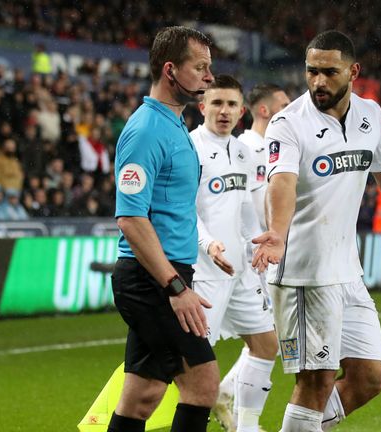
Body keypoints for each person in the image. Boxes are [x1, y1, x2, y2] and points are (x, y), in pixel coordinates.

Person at [251, 30, 381, 432]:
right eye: (312, 71)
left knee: (368, 377)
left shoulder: (371, 115)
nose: (318, 82)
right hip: (303, 273)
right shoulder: (288, 123)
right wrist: (277, 232)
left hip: (347, 271)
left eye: (329, 72)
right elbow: (282, 183)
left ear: (354, 71)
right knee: (316, 382)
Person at [109, 26, 216, 432]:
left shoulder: (173, 124)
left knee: (141, 398)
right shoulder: (146, 131)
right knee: (203, 386)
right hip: (152, 279)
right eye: (200, 67)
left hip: (162, 274)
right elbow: (131, 218)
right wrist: (175, 288)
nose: (208, 76)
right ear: (170, 70)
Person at [189, 74, 279, 432]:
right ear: (202, 107)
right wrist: (208, 243)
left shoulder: (242, 151)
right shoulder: (190, 147)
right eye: (216, 103)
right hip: (204, 272)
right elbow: (185, 210)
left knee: (266, 344)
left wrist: (258, 246)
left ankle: (247, 426)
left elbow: (245, 210)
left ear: (241, 111)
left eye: (230, 105)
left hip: (240, 270)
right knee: (193, 368)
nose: (224, 111)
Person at [238, 83, 291, 230]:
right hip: (254, 247)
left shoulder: (282, 149)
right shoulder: (244, 150)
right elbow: (252, 207)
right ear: (264, 110)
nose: (291, 112)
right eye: (284, 106)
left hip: (279, 244)